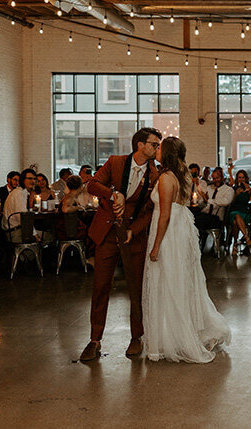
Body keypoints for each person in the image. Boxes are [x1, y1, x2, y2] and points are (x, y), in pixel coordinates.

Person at [143, 136, 230, 362]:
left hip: (169, 233)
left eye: (160, 148)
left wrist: (155, 246)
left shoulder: (165, 179)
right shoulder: (182, 176)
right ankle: (181, 331)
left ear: (168, 153)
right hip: (181, 231)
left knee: (167, 281)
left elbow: (164, 215)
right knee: (180, 280)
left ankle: (172, 338)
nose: (157, 150)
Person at [79, 127, 161, 362]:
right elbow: (92, 185)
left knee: (136, 288)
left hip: (133, 237)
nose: (157, 148)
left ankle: (137, 337)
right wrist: (114, 193)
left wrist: (133, 231)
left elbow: (150, 211)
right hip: (107, 233)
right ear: (140, 145)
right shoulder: (115, 162)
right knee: (101, 286)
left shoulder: (155, 175)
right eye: (154, 144)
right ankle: (95, 340)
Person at [227, 169, 251, 254]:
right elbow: (229, 202)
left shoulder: (248, 189)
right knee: (236, 215)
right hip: (233, 211)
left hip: (245, 213)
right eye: (239, 177)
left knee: (235, 222)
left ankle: (235, 244)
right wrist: (236, 194)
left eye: (243, 177)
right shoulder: (233, 188)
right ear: (237, 179)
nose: (241, 179)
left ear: (245, 179)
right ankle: (246, 238)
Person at [193, 167, 234, 234]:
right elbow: (202, 204)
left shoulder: (228, 190)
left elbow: (225, 202)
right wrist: (203, 200)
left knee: (197, 221)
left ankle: (198, 242)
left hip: (217, 218)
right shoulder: (209, 188)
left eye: (217, 178)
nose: (215, 180)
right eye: (214, 178)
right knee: (191, 217)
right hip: (205, 214)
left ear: (222, 177)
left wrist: (209, 200)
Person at [2, 169, 37, 234]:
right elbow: (23, 218)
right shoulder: (19, 193)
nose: (33, 181)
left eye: (34, 179)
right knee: (48, 236)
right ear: (23, 180)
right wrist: (35, 234)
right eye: (29, 178)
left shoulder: (22, 192)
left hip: (17, 229)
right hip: (16, 232)